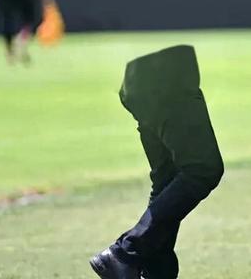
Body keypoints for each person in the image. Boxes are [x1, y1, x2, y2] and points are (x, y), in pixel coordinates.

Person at [90, 45, 224, 279]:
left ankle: (155, 272)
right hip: (165, 78)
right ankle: (126, 253)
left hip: (143, 80)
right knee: (203, 168)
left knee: (168, 178)